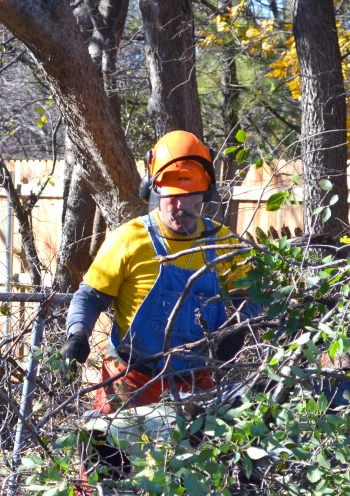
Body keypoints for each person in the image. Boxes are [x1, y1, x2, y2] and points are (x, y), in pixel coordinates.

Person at [62, 130, 256, 414]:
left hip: (195, 382)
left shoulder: (224, 242)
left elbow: (253, 295)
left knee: (198, 456)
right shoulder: (128, 239)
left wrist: (238, 327)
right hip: (131, 379)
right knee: (112, 456)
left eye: (190, 196)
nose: (181, 206)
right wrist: (77, 334)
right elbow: (90, 297)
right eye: (173, 196)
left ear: (205, 192)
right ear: (154, 190)